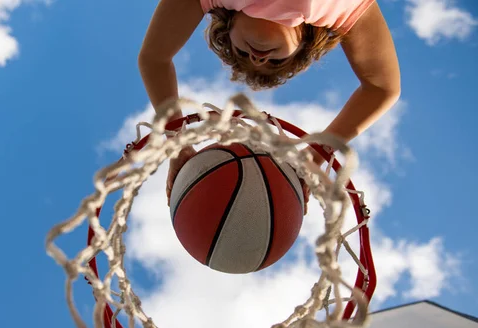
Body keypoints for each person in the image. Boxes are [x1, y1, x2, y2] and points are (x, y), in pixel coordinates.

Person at [138, 0, 401, 207]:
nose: (259, 58)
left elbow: (154, 59)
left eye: (241, 53)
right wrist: (314, 154)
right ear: (304, 44)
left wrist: (176, 140)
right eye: (276, 62)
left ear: (227, 27)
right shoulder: (340, 8)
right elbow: (381, 88)